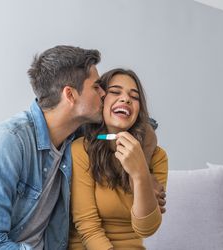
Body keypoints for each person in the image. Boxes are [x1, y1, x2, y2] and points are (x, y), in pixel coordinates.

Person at [0, 46, 164, 250]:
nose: (103, 93)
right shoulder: (7, 144)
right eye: (97, 87)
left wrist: (143, 171)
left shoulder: (72, 136)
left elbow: (142, 124)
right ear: (70, 95)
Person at [69, 68, 168, 250]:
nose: (126, 99)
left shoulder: (157, 157)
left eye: (135, 97)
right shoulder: (81, 150)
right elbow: (87, 227)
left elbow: (146, 229)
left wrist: (140, 174)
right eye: (115, 92)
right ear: (101, 101)